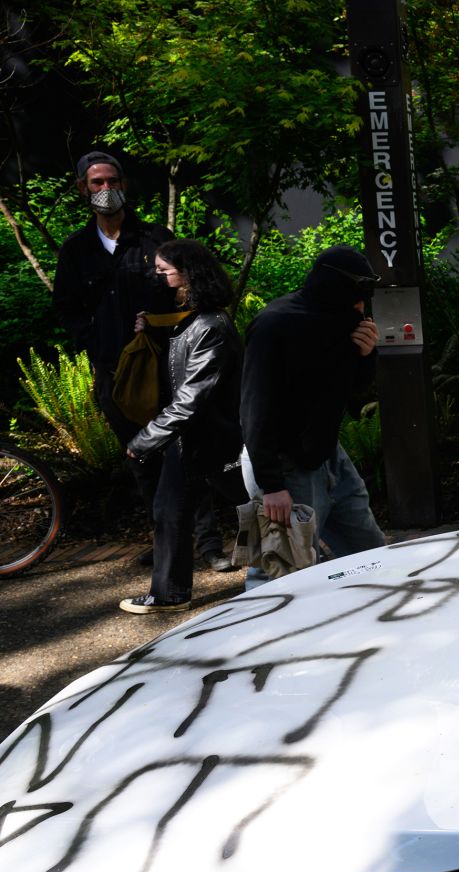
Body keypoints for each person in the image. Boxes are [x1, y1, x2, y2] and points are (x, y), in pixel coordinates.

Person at [49, 150, 228, 571]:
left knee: (184, 451)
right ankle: (167, 540)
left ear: (124, 184)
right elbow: (66, 308)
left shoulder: (154, 239)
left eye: (112, 180)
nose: (105, 190)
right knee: (140, 457)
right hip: (115, 374)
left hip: (168, 368)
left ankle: (209, 545)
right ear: (82, 189)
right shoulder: (76, 250)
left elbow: (186, 291)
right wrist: (98, 342)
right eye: (96, 183)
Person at [240, 246, 386, 575]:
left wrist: (366, 355)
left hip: (326, 451)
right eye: (360, 291)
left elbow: (353, 392)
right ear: (337, 287)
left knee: (371, 555)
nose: (363, 304)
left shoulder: (344, 319)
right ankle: (271, 628)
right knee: (280, 572)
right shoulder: (275, 325)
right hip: (280, 461)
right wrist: (271, 485)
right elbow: (255, 408)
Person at [119, 240, 247, 613]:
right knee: (169, 511)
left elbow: (191, 397)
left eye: (164, 271)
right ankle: (169, 593)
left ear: (188, 275)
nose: (157, 278)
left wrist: (146, 439)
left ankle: (305, 571)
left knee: (260, 507)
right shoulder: (190, 321)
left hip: (215, 440)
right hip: (189, 441)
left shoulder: (211, 327)